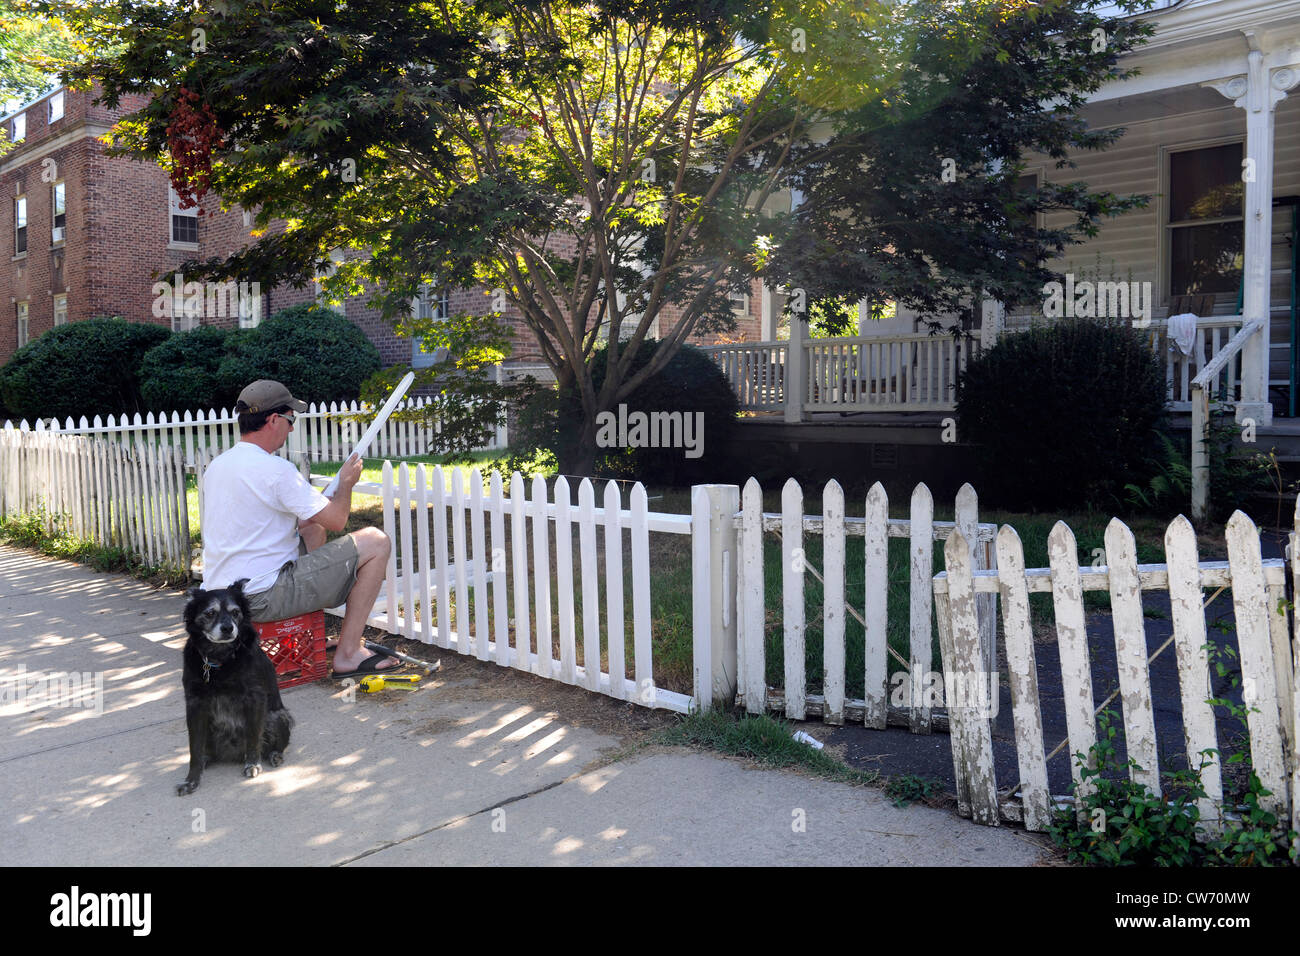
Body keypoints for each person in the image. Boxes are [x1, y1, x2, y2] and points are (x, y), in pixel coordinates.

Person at [200, 379, 399, 677]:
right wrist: (346, 484)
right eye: (290, 419)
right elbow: (337, 521)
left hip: (219, 597)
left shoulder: (219, 465)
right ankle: (348, 654)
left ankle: (306, 637)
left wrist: (319, 508)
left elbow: (311, 520)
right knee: (376, 541)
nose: (292, 428)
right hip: (261, 597)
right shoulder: (276, 470)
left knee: (310, 527)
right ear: (273, 420)